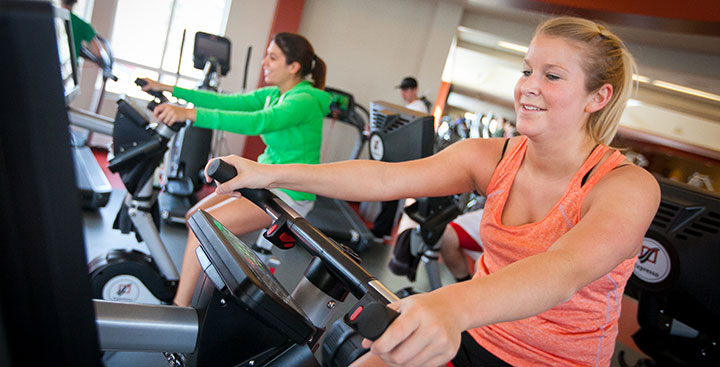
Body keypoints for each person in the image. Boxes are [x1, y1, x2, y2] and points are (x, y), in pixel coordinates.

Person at [209, 16, 660, 367]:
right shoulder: (494, 156)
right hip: (478, 333)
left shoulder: (627, 187)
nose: (528, 87)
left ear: (597, 97)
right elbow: (386, 179)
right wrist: (269, 175)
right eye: (527, 70)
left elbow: (563, 271)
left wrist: (450, 306)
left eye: (553, 76)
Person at [140, 32, 330, 307]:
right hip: (265, 178)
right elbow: (226, 102)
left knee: (201, 229)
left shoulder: (305, 100)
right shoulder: (275, 94)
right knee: (196, 216)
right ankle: (210, 290)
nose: (265, 62)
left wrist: (190, 114)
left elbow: (258, 123)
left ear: (294, 67)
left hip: (289, 191)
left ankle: (179, 313)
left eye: (273, 57)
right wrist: (168, 88)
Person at [371, 77, 431, 240]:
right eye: (402, 90)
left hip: (405, 159)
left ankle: (382, 230)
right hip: (398, 156)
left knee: (390, 194)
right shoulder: (410, 108)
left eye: (406, 90)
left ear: (414, 90)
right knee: (388, 194)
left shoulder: (418, 109)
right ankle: (382, 228)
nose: (403, 93)